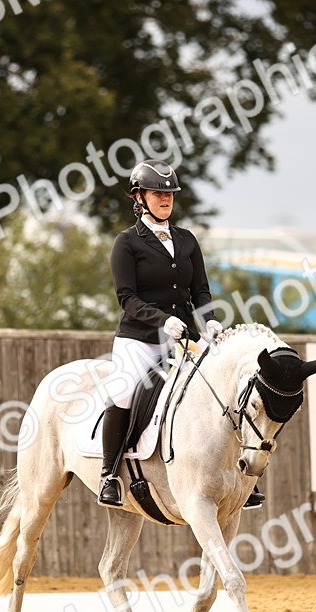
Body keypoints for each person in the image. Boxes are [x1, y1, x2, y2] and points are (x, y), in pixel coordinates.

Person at [97, 158, 264, 510]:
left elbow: (200, 291)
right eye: (158, 193)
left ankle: (238, 474)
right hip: (139, 339)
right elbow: (126, 298)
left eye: (169, 193)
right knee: (125, 392)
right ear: (139, 197)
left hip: (186, 337)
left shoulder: (186, 240)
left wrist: (210, 320)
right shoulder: (126, 243)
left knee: (224, 391)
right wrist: (162, 320)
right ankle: (109, 474)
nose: (165, 199)